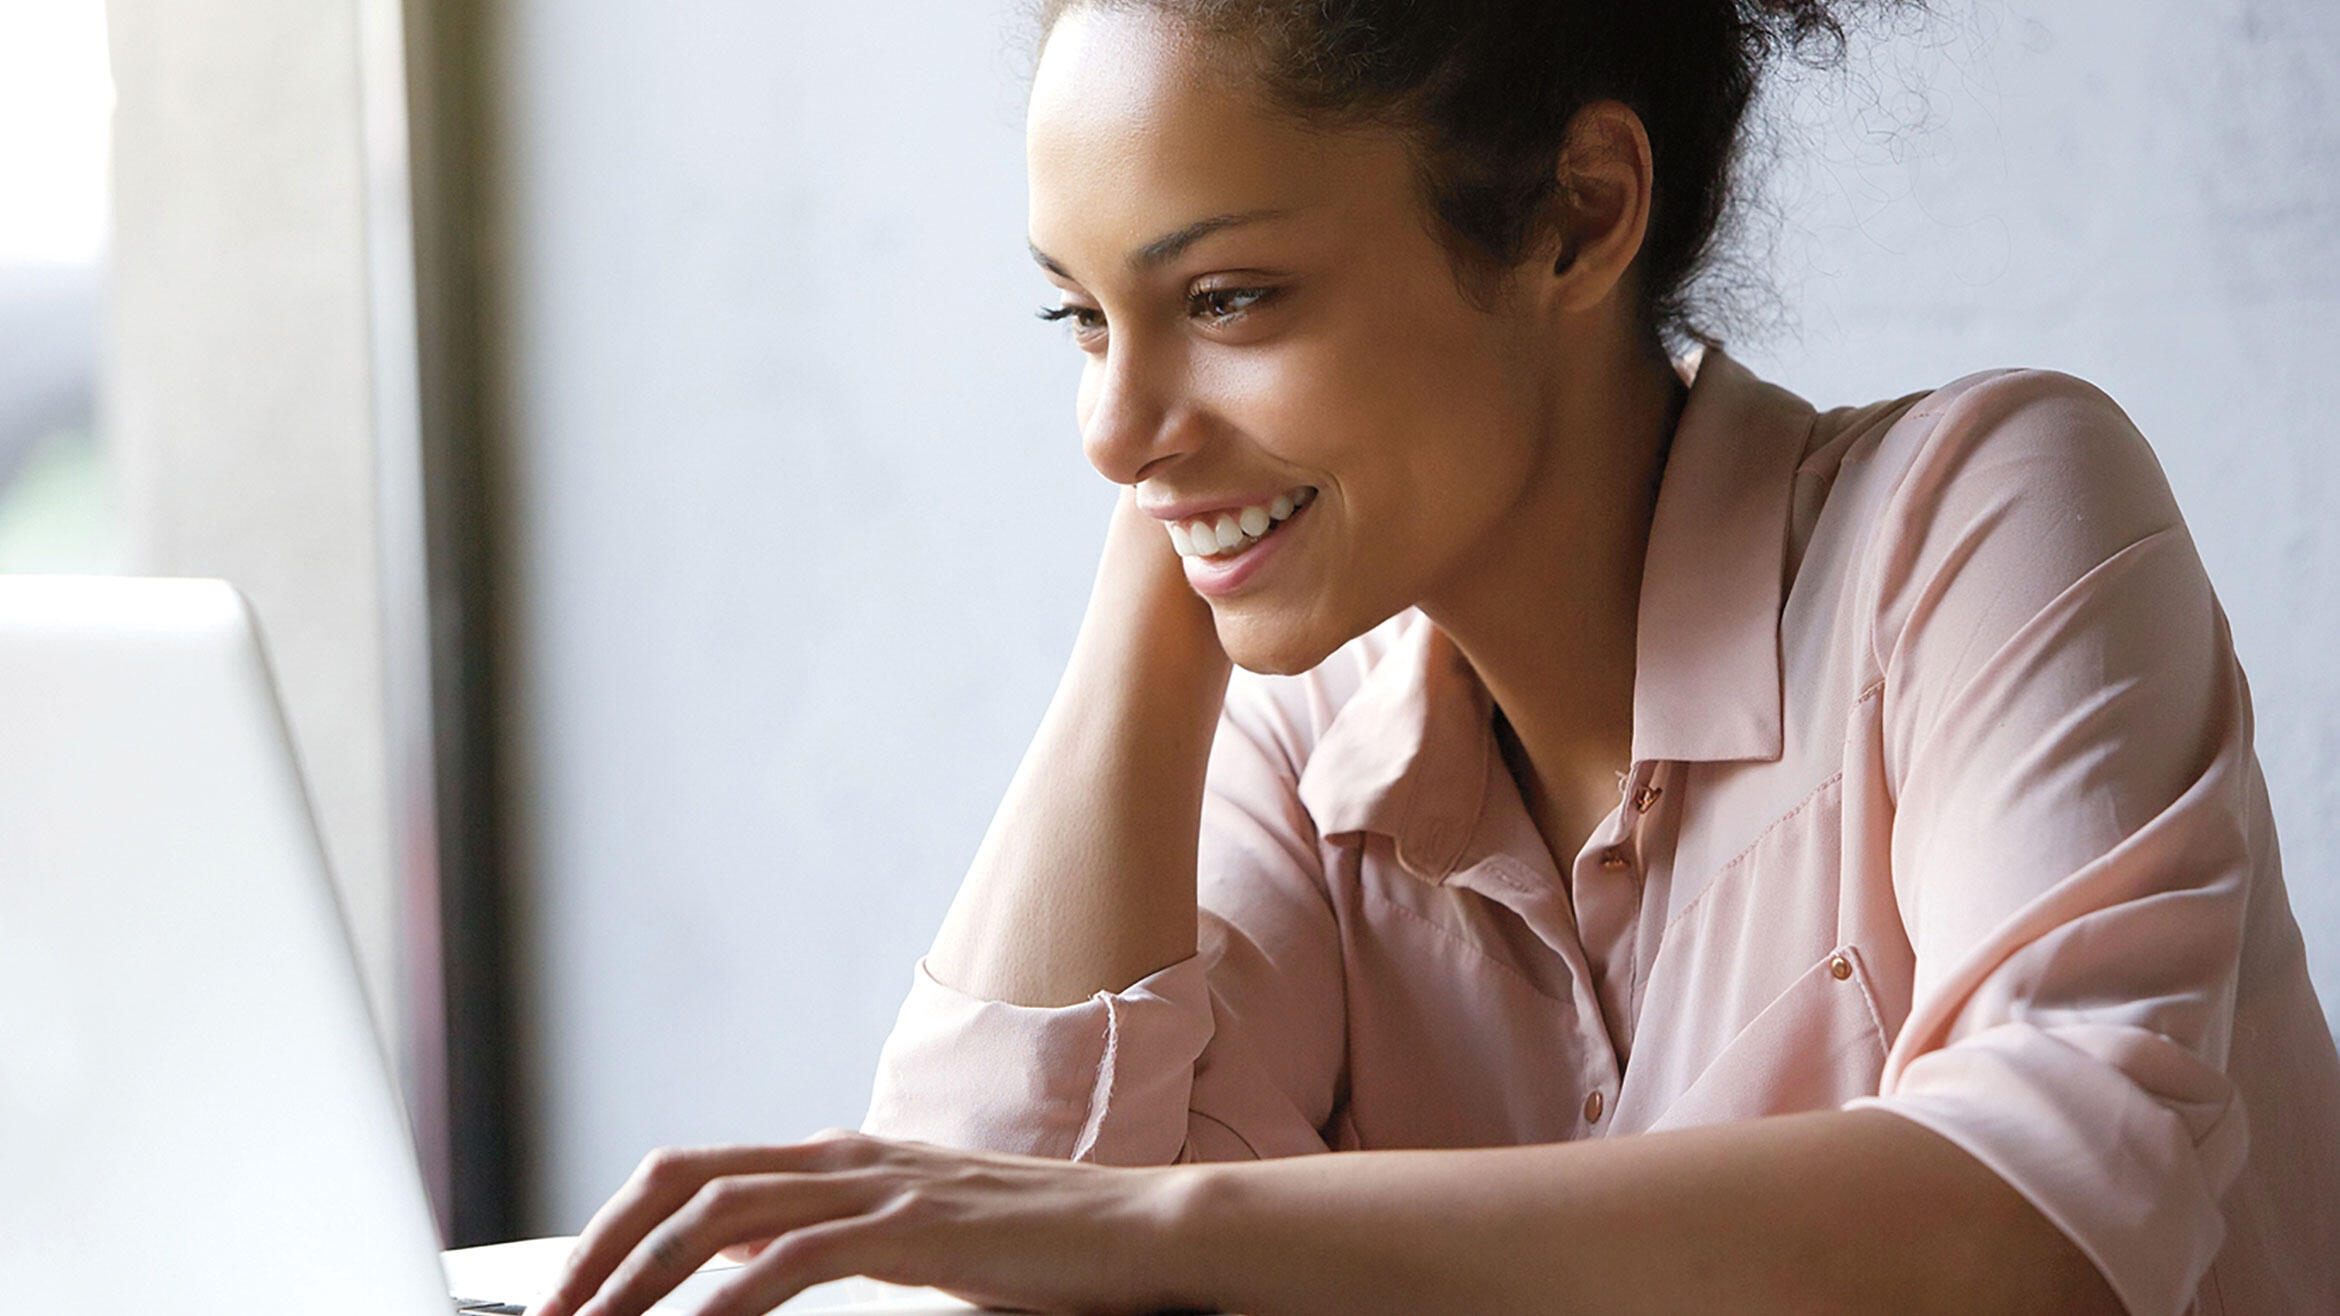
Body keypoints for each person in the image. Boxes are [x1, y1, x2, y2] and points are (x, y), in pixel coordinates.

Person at [533, 2, 2340, 1313]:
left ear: (1576, 215)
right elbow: (983, 1260)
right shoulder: (1301, 725)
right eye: (1081, 318)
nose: (1105, 424)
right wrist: (1178, 548)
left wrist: (1190, 1232)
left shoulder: (1982, 513)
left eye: (1228, 297)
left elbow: (2040, 1220)